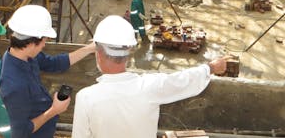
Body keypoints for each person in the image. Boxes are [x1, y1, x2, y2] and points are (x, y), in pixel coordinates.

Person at [72, 15, 228, 138]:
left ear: (98, 54)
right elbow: (182, 81)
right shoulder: (149, 87)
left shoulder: (86, 98)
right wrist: (211, 68)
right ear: (128, 55)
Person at [0, 5, 95, 138]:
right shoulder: (14, 85)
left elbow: (55, 63)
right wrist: (54, 110)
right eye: (44, 41)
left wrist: (89, 49)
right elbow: (21, 132)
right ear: (32, 43)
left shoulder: (25, 55)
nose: (44, 45)